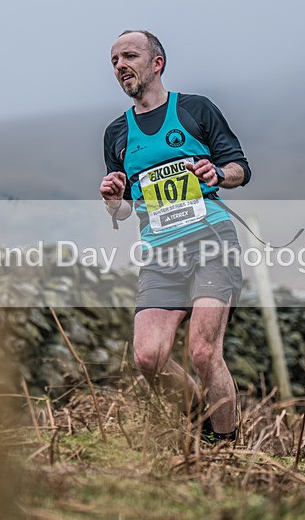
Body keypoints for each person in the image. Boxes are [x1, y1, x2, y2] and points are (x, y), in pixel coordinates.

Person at [100, 30, 251, 444]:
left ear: (157, 63)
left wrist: (217, 173)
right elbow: (124, 209)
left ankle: (225, 451)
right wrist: (113, 197)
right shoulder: (117, 133)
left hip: (210, 241)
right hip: (160, 255)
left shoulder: (195, 110)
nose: (120, 66)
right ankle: (203, 421)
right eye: (114, 61)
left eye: (129, 56)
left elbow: (239, 168)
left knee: (203, 352)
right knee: (149, 357)